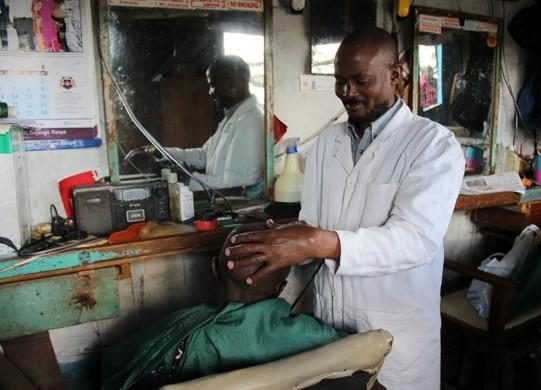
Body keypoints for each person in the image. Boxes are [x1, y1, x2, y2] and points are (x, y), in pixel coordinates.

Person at [223, 27, 465, 389]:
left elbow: (414, 240)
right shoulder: (328, 142)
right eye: (339, 81)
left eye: (360, 80)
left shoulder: (433, 145)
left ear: (396, 75)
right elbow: (315, 224)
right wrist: (283, 243)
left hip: (396, 336)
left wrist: (314, 243)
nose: (346, 92)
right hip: (330, 331)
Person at [100, 223, 345, 390]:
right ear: (280, 287)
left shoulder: (181, 334)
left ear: (215, 268)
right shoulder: (311, 334)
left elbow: (112, 371)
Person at [166, 55, 264, 191]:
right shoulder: (231, 117)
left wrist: (189, 178)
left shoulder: (250, 122)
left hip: (234, 205)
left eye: (213, 85)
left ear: (233, 83)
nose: (210, 92)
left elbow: (237, 184)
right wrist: (163, 152)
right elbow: (205, 156)